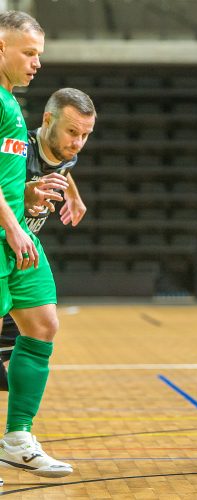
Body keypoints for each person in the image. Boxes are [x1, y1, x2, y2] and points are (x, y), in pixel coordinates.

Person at [0, 10, 76, 479]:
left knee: (42, 323)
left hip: (15, 236)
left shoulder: (10, 101)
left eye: (39, 55)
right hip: (6, 231)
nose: (37, 64)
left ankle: (16, 438)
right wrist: (11, 223)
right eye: (29, 53)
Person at [0, 87, 96, 391]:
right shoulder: (19, 148)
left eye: (85, 135)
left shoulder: (66, 152)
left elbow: (63, 168)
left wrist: (73, 196)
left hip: (19, 253)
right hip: (5, 242)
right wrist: (26, 196)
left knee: (35, 332)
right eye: (71, 132)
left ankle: (17, 431)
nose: (77, 143)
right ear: (47, 120)